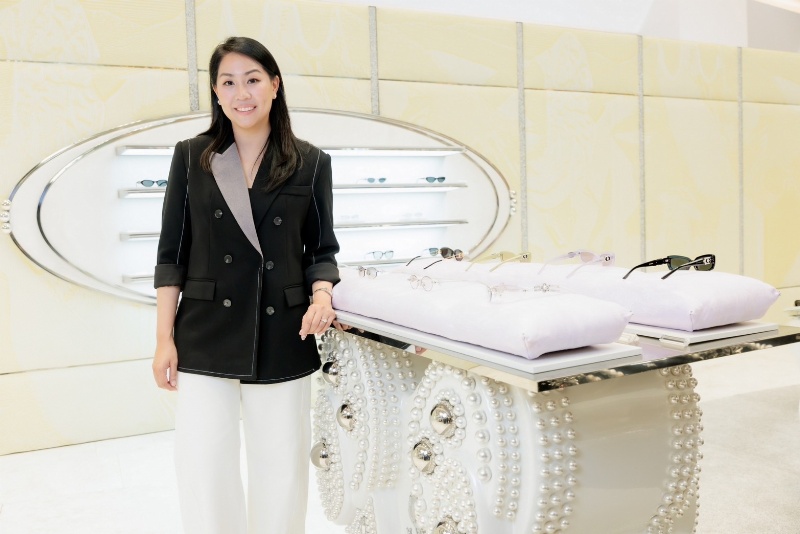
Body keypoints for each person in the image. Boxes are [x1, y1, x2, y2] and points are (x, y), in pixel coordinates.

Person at [151, 36, 341, 534]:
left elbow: (321, 251)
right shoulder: (192, 157)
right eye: (229, 82)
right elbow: (171, 255)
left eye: (253, 80)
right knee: (203, 464)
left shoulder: (311, 162)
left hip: (284, 329)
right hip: (205, 329)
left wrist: (322, 295)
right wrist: (163, 339)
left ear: (275, 85)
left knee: (281, 466)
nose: (242, 93)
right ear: (216, 93)